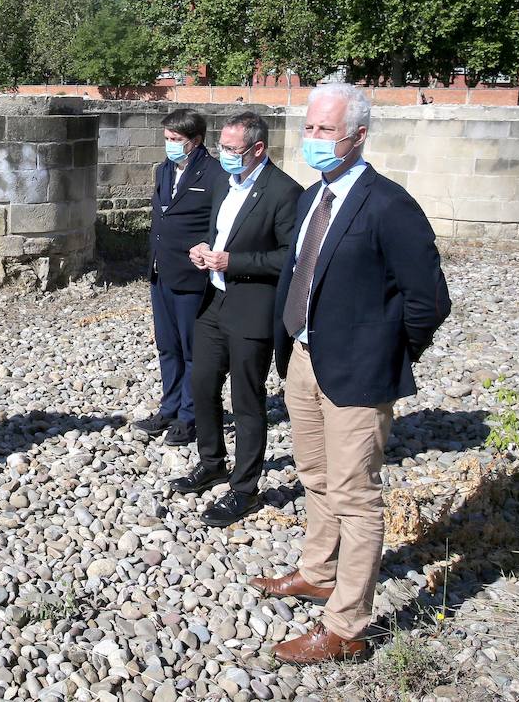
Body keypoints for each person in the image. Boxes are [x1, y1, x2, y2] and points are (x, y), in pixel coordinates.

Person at [252, 84, 450, 665]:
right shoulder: (316, 196)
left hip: (359, 373)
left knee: (356, 495)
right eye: (308, 129)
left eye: (325, 130)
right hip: (305, 361)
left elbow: (428, 301)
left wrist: (387, 353)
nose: (313, 140)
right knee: (315, 474)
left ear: (358, 135)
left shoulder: (388, 205)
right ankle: (318, 571)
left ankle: (346, 625)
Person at [171, 113, 301, 527]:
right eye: (223, 147)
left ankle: (244, 488)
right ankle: (211, 462)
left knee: (246, 399)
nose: (223, 155)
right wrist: (204, 250)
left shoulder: (284, 192)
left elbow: (289, 258)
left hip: (252, 308)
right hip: (215, 301)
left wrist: (234, 262)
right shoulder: (225, 185)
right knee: (203, 383)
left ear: (257, 149)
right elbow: (221, 235)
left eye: (231, 149)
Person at [133, 109, 225, 447]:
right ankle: (169, 407)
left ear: (196, 141)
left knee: (192, 350)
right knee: (167, 346)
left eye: (176, 140)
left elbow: (221, 224)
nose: (169, 145)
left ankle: (190, 415)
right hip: (160, 272)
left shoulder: (215, 174)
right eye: (167, 139)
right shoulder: (164, 170)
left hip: (191, 276)